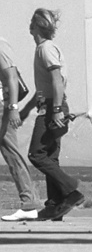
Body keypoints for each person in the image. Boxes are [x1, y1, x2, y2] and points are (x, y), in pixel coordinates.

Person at [20, 9, 82, 221]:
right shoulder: (46, 48)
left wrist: (55, 110)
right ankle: (55, 206)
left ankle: (71, 189)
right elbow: (47, 85)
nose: (30, 26)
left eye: (32, 22)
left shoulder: (45, 49)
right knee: (51, 158)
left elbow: (56, 80)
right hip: (53, 104)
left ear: (36, 26)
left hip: (51, 108)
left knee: (36, 155)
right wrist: (27, 110)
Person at [0, 34, 43, 221]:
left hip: (2, 107)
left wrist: (13, 108)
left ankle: (29, 203)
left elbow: (11, 76)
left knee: (12, 153)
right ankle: (31, 201)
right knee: (12, 153)